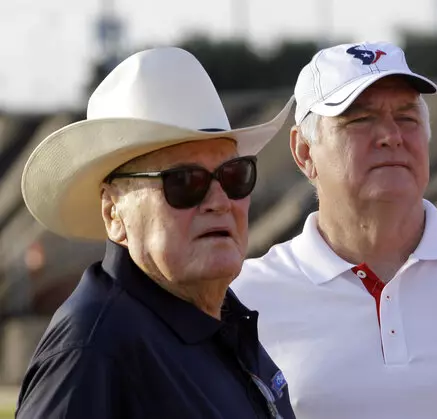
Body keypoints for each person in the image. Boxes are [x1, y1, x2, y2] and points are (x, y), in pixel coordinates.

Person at [232, 41, 437, 419]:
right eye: (359, 119)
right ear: (303, 151)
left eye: (407, 117)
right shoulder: (242, 301)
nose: (390, 135)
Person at [16, 46, 296, 419]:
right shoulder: (92, 351)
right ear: (113, 212)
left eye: (234, 175)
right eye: (184, 181)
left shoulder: (222, 324)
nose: (219, 200)